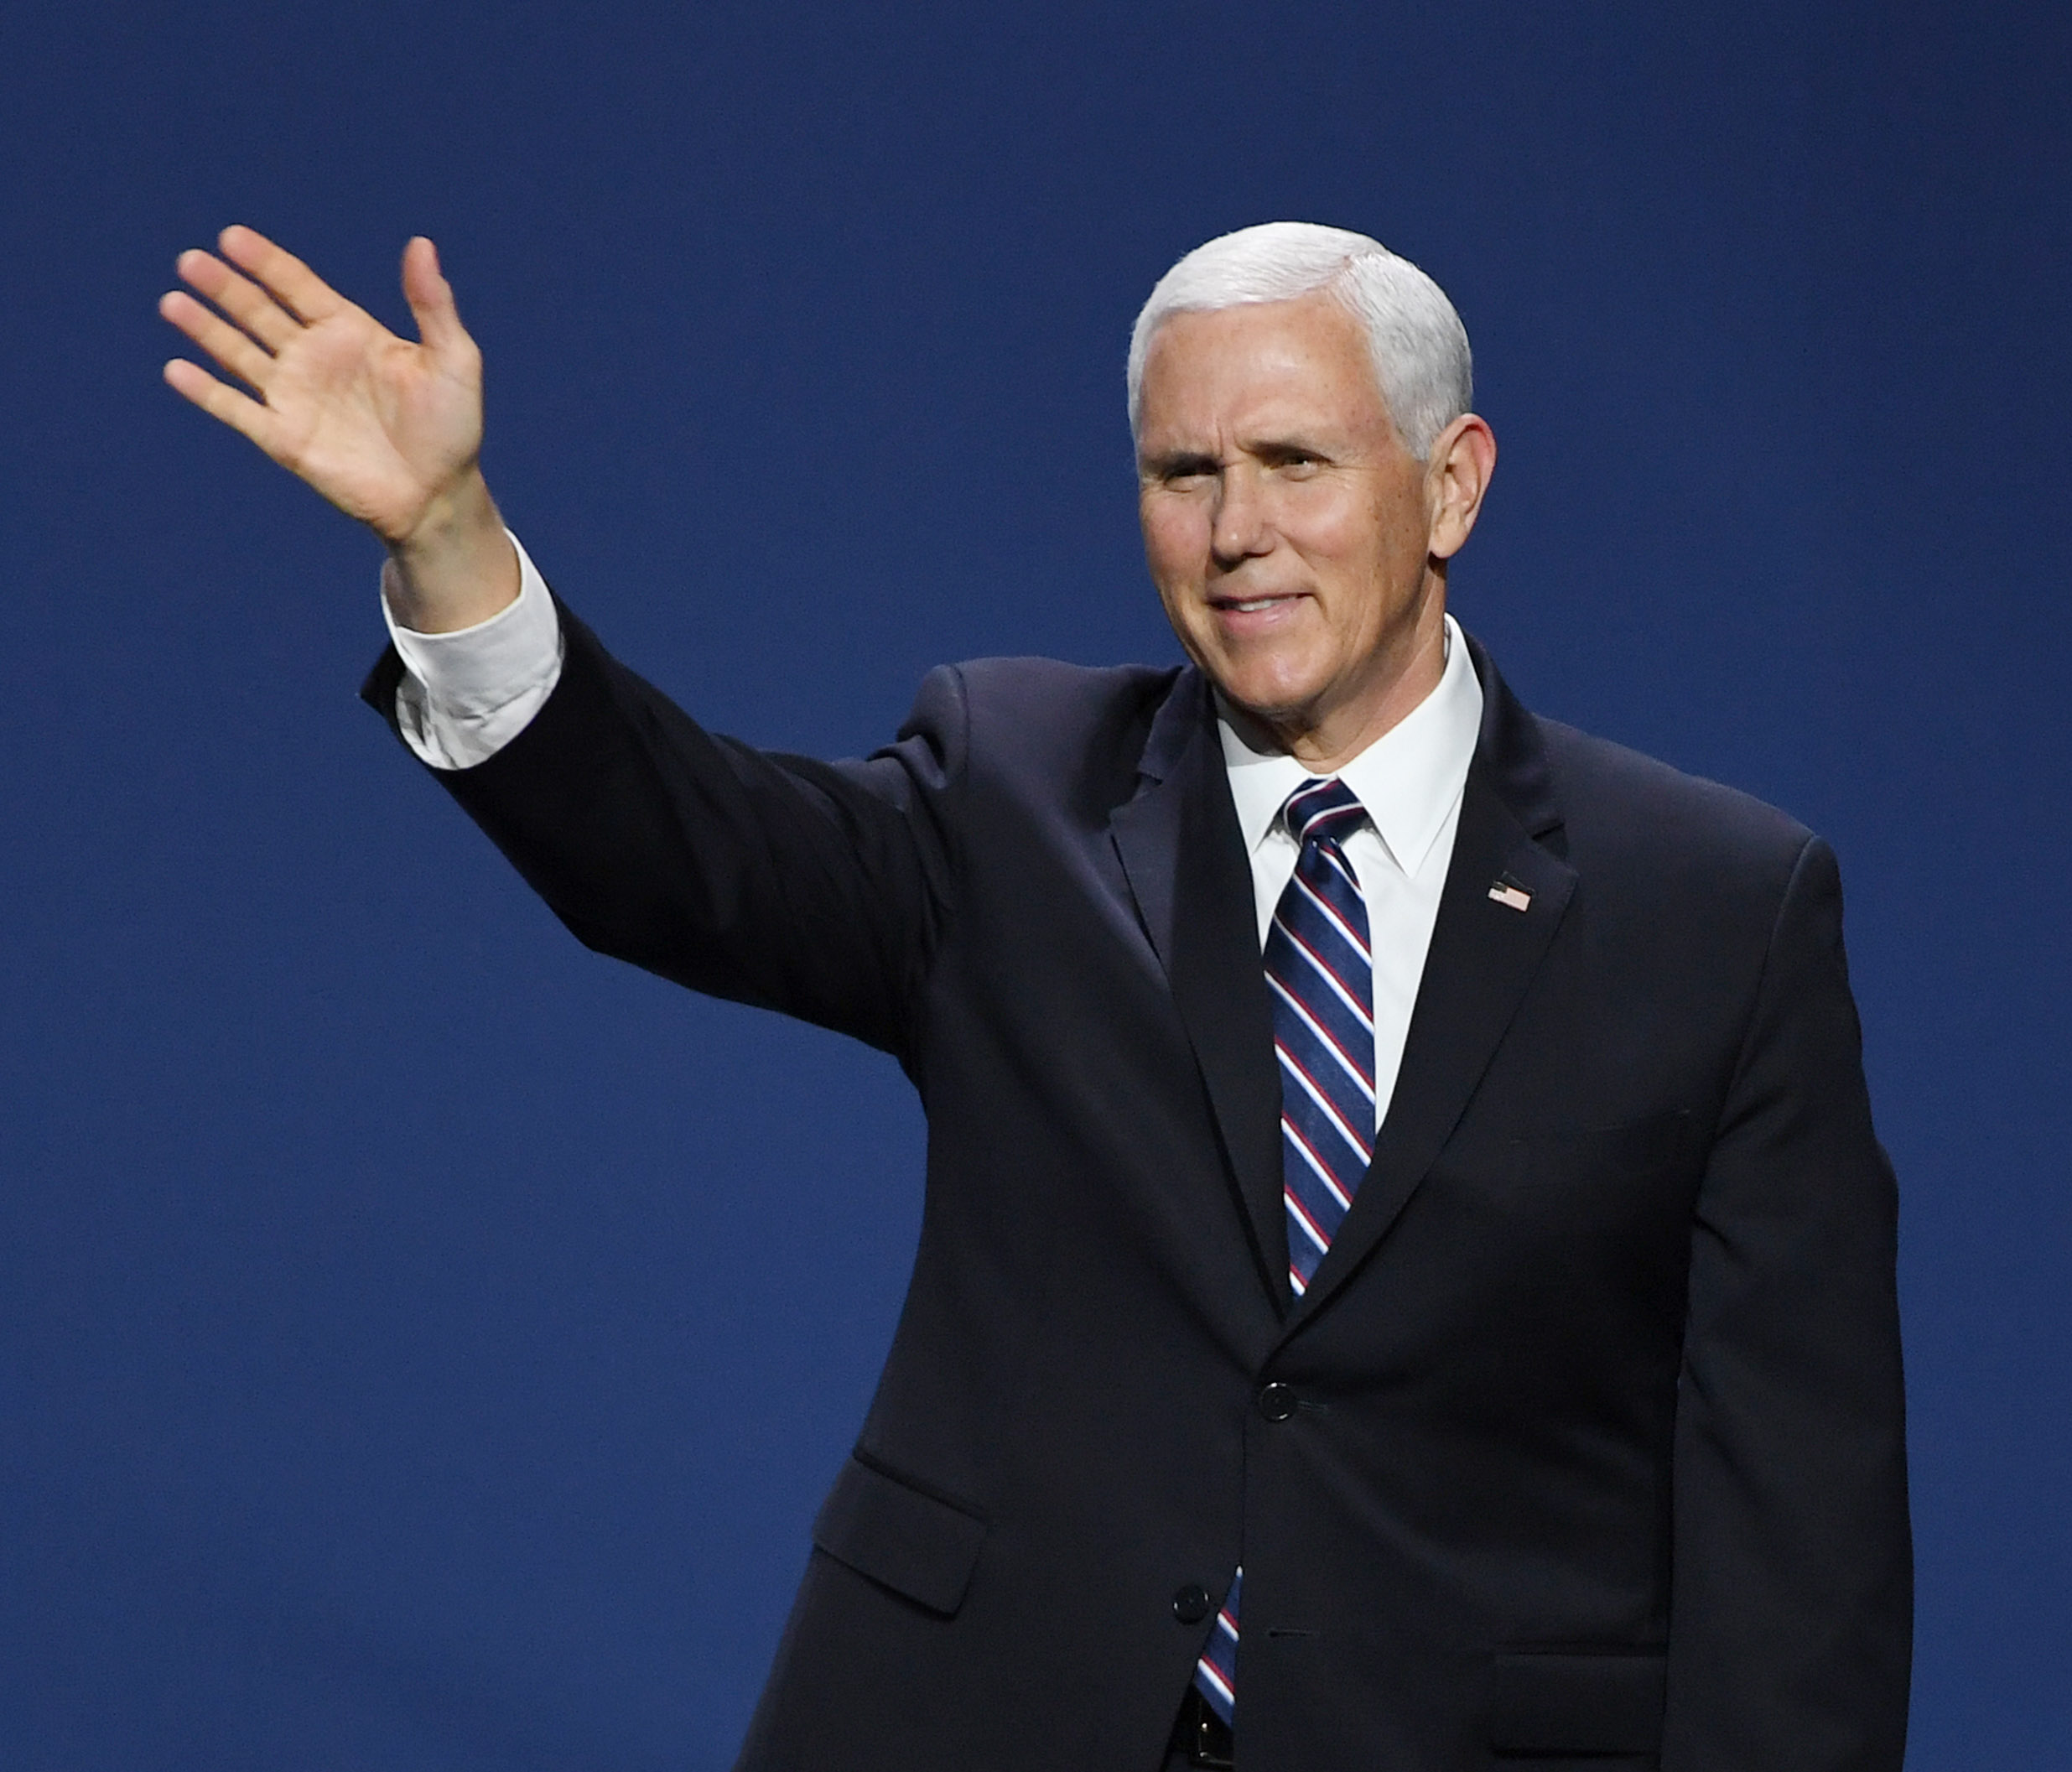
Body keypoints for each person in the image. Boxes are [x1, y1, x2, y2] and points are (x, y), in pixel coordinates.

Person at [158, 221, 1911, 1771]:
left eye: (1293, 460)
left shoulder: (1713, 906)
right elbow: (674, 853)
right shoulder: (1013, 789)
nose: (1234, 532)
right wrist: (453, 538)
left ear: (1448, 483)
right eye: (1180, 470)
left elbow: (1798, 1523)